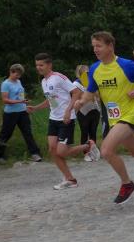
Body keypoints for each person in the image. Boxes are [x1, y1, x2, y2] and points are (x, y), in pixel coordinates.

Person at [73, 31, 134, 204]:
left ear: (110, 46)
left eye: (99, 46)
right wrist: (81, 101)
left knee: (106, 150)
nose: (95, 49)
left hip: (129, 114)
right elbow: (90, 91)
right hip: (113, 117)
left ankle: (127, 184)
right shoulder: (94, 68)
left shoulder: (126, 65)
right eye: (93, 46)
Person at [27, 53, 101, 189]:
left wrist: (68, 110)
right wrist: (36, 108)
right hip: (53, 119)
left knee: (61, 152)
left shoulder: (58, 77)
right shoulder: (44, 82)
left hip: (66, 119)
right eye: (37, 65)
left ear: (49, 65)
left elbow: (76, 92)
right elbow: (51, 101)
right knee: (52, 150)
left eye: (41, 65)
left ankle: (88, 145)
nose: (38, 67)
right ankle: (70, 179)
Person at [0, 64, 43, 163]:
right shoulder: (5, 84)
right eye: (17, 74)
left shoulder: (18, 82)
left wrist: (24, 102)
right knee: (6, 134)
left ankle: (35, 153)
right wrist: (19, 101)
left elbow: (21, 95)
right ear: (11, 72)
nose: (18, 77)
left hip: (22, 111)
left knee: (27, 132)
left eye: (20, 75)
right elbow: (5, 100)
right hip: (10, 113)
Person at [73, 64, 100, 156]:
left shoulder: (93, 82)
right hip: (83, 111)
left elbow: (98, 97)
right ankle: (85, 152)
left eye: (88, 72)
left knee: (93, 132)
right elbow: (77, 98)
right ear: (80, 73)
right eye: (85, 72)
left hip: (94, 109)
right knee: (84, 132)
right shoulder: (76, 84)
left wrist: (93, 91)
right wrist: (87, 94)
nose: (87, 73)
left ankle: (93, 151)